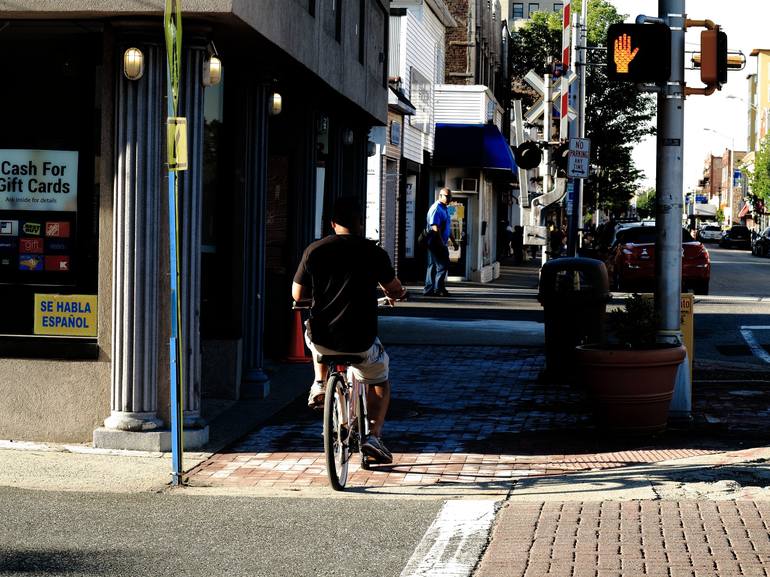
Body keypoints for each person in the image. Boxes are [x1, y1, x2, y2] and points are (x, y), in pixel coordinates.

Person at [292, 196, 406, 464]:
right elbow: (394, 288)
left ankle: (320, 383)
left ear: (332, 224)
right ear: (360, 223)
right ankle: (374, 435)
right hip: (361, 340)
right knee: (379, 378)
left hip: (324, 338)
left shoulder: (315, 250)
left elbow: (298, 295)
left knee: (312, 333)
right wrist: (398, 294)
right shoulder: (374, 253)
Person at [423, 187, 458, 296]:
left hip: (439, 242)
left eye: (450, 196)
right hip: (435, 241)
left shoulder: (445, 208)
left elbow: (447, 227)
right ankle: (438, 289)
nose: (449, 198)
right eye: (447, 196)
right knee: (443, 265)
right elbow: (435, 227)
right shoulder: (436, 208)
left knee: (433, 265)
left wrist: (454, 241)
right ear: (440, 196)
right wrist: (441, 244)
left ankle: (430, 290)